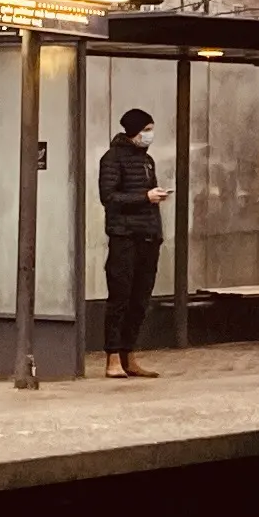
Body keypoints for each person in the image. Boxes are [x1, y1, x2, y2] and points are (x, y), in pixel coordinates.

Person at [97, 106, 167, 379]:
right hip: (124, 237)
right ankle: (112, 357)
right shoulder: (112, 159)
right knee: (120, 297)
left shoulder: (146, 160)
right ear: (134, 130)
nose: (150, 134)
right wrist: (144, 197)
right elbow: (109, 197)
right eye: (146, 129)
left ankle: (129, 354)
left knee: (140, 299)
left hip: (148, 236)